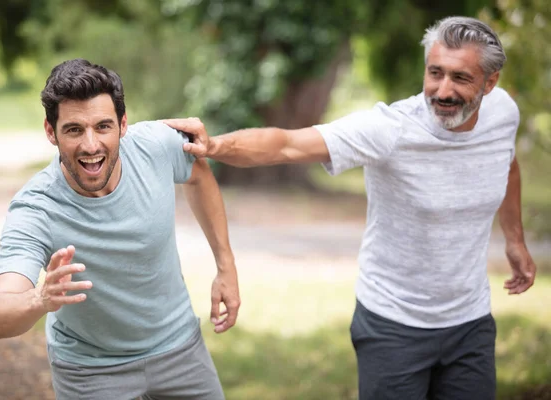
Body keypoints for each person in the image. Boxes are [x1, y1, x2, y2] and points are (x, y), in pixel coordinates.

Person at [163, 16, 537, 400]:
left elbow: (505, 164)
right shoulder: (390, 130)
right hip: (393, 325)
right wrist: (216, 146)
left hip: (470, 322)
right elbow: (287, 144)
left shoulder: (502, 114)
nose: (442, 90)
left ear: (490, 84)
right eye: (435, 73)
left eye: (460, 78)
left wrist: (515, 240)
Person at [0, 58, 240, 400]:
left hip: (179, 348)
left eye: (103, 126)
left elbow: (198, 174)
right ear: (51, 132)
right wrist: (39, 298)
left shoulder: (155, 145)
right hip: (90, 369)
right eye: (74, 129)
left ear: (123, 124)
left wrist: (226, 265)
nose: (91, 145)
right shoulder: (36, 208)